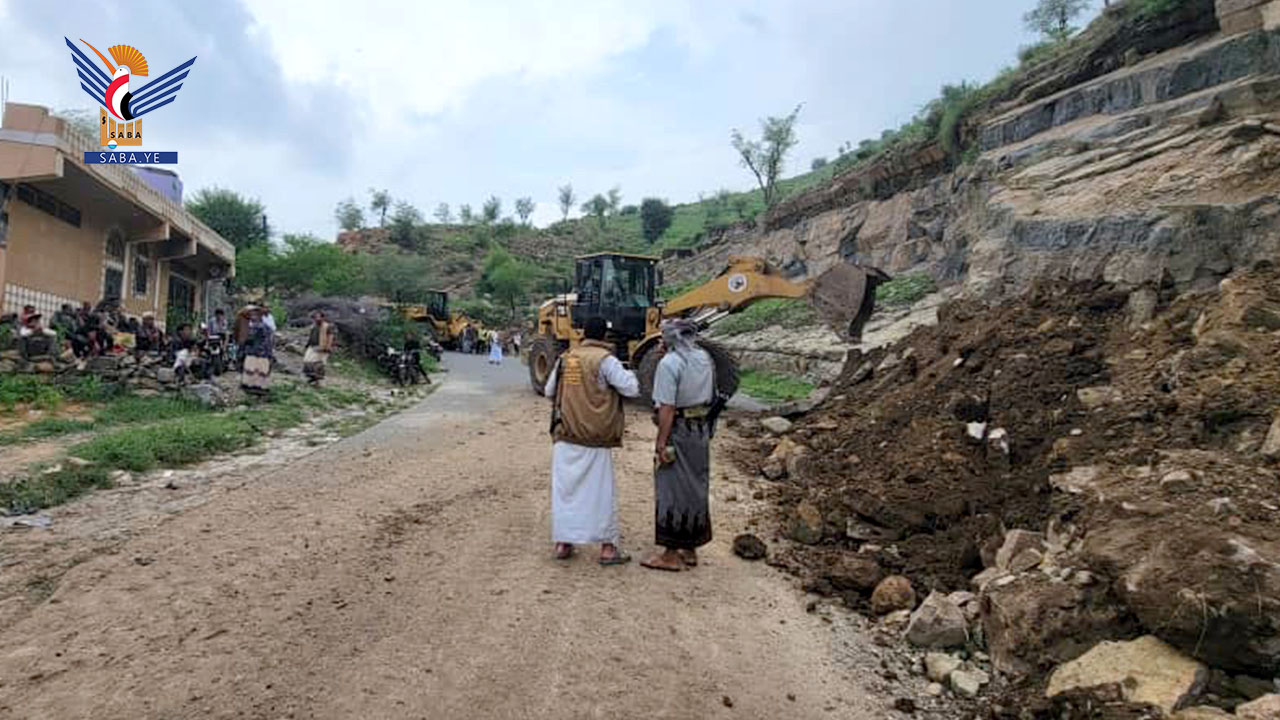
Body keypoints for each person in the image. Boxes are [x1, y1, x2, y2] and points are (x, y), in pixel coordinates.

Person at [544, 316, 640, 565]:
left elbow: (548, 392)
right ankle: (607, 549)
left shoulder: (566, 358)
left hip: (566, 436)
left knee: (566, 492)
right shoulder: (606, 361)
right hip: (596, 437)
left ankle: (563, 543)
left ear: (583, 334)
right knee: (600, 494)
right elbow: (631, 389)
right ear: (604, 336)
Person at [642, 319, 716, 572]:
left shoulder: (669, 364)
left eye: (663, 337)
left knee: (672, 485)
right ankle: (691, 547)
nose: (660, 341)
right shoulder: (704, 357)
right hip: (701, 429)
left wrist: (661, 442)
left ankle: (670, 554)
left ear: (670, 338)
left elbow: (667, 407)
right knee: (696, 484)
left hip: (680, 431)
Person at [239, 307, 273, 394]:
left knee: (252, 370)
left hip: (255, 352)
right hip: (264, 353)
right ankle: (261, 387)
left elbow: (249, 339)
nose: (252, 317)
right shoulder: (267, 327)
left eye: (253, 315)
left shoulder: (256, 327)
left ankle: (251, 386)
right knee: (261, 371)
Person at [303, 310, 334, 385]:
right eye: (315, 317)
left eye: (319, 317)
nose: (317, 319)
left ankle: (317, 380)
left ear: (322, 318)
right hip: (313, 346)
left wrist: (328, 347)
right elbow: (311, 336)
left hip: (322, 347)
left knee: (318, 364)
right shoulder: (313, 326)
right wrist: (307, 344)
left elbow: (330, 337)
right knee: (307, 360)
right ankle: (311, 378)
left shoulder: (327, 326)